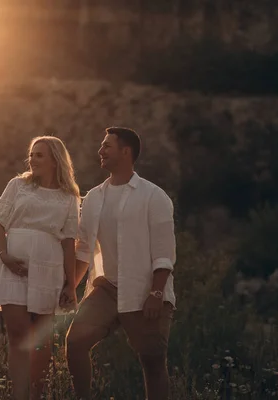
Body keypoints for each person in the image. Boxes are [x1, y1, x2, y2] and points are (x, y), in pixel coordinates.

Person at [64, 127, 176, 400]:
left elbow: (164, 252)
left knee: (152, 363)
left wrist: (157, 293)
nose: (100, 151)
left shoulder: (154, 196)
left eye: (107, 146)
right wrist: (71, 288)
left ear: (126, 152)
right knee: (75, 342)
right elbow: (84, 248)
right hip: (107, 288)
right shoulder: (93, 198)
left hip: (145, 291)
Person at [0, 135, 81, 400]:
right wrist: (3, 255)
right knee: (17, 334)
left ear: (55, 160)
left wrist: (70, 284)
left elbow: (69, 241)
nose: (33, 159)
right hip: (13, 265)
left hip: (49, 268)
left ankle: (36, 395)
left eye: (40, 155)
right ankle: (19, 395)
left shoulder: (69, 197)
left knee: (41, 340)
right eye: (32, 154)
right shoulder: (18, 185)